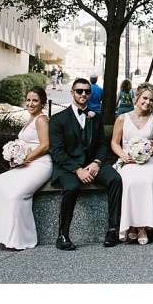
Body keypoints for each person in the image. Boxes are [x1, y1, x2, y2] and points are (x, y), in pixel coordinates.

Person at [49, 78, 123, 250]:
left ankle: (112, 229)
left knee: (115, 179)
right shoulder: (58, 119)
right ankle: (63, 235)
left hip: (92, 164)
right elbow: (57, 152)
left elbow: (103, 145)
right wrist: (77, 169)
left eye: (87, 91)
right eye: (80, 91)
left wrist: (97, 163)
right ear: (72, 93)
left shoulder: (95, 117)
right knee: (72, 187)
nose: (83, 94)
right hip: (68, 167)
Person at [0, 86, 53, 249]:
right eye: (28, 100)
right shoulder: (30, 119)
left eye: (35, 100)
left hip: (41, 164)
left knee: (17, 196)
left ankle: (23, 239)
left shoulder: (41, 119)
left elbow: (45, 145)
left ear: (42, 103)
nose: (31, 103)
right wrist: (15, 157)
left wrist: (25, 159)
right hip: (28, 162)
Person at [111, 83, 153, 244]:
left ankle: (142, 227)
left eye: (151, 100)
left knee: (147, 180)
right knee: (129, 181)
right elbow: (114, 143)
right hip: (127, 160)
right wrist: (124, 156)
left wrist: (146, 154)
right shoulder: (122, 118)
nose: (147, 102)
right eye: (145, 98)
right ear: (137, 98)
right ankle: (131, 225)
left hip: (149, 160)